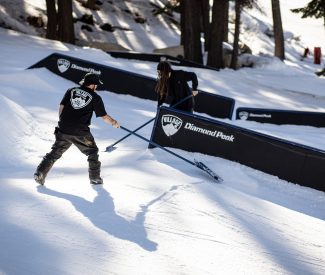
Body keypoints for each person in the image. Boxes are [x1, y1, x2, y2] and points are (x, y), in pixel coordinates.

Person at [34, 72, 120, 185]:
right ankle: (94, 178)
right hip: (80, 131)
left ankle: (40, 172)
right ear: (93, 85)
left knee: (55, 152)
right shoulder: (95, 97)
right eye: (96, 85)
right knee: (92, 151)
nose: (97, 87)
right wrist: (114, 123)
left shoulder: (71, 91)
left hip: (63, 128)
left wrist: (64, 123)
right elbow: (104, 116)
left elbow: (61, 107)